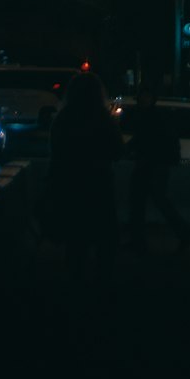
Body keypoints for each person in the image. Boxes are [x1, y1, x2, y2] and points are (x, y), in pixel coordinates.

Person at [46, 70, 122, 282]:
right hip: (99, 185)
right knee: (105, 241)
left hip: (70, 185)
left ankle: (75, 286)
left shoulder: (63, 119)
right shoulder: (103, 120)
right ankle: (102, 287)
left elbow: (56, 153)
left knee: (75, 242)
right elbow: (117, 151)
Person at [126, 86, 190, 254]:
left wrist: (125, 150)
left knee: (148, 201)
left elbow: (142, 140)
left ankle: (182, 233)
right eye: (143, 96)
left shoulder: (151, 117)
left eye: (147, 97)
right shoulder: (149, 116)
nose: (144, 100)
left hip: (153, 164)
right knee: (147, 201)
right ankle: (139, 240)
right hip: (151, 164)